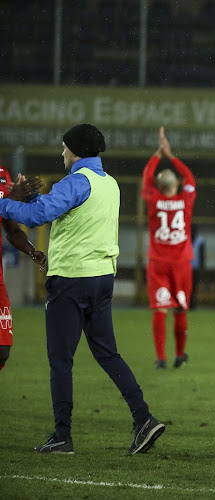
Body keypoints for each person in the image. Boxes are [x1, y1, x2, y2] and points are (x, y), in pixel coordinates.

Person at [0, 123, 165, 454]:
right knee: (108, 353)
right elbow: (67, 211)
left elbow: (39, 216)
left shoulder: (76, 180)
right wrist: (33, 198)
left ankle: (62, 435)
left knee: (61, 359)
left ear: (75, 151)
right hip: (102, 278)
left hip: (71, 280)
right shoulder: (110, 183)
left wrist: (4, 204)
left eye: (64, 148)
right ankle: (143, 419)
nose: (62, 153)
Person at [142, 127, 196, 369]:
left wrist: (157, 155)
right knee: (180, 309)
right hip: (181, 262)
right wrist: (171, 155)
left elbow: (146, 177)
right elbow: (191, 179)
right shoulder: (185, 200)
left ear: (158, 186)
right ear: (177, 184)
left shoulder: (153, 198)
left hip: (157, 261)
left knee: (160, 309)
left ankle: (161, 358)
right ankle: (179, 354)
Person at [0, 169, 48, 373]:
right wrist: (11, 199)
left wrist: (31, 250)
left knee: (2, 351)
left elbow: (10, 228)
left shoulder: (3, 175)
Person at [189, 223, 206, 309]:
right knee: (186, 287)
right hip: (186, 268)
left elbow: (202, 255)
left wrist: (202, 268)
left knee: (193, 287)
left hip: (195, 268)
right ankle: (186, 304)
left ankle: (192, 304)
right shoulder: (185, 240)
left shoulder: (200, 241)